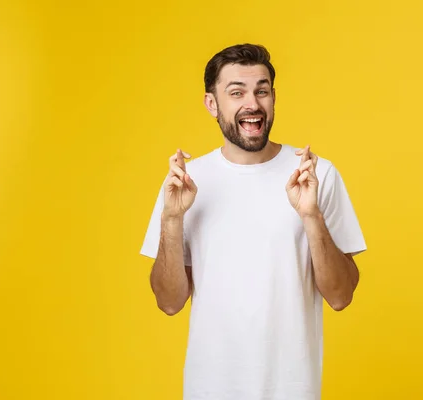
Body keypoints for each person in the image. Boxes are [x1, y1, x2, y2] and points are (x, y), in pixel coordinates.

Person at [140, 43, 367, 400]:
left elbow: (340, 296)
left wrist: (310, 215)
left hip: (292, 391)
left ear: (273, 97)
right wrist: (171, 219)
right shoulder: (186, 183)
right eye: (237, 92)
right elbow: (169, 302)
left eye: (261, 91)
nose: (253, 104)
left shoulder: (315, 175)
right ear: (212, 104)